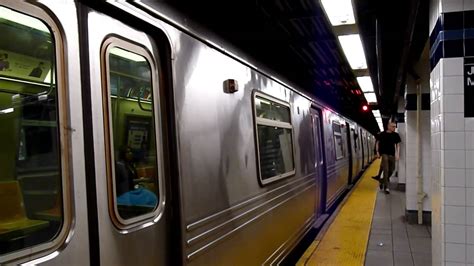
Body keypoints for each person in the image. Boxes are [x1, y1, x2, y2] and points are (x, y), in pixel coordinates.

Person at [375, 121, 401, 194]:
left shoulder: (396, 135)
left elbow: (398, 145)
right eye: (393, 126)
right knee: (386, 170)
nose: (394, 128)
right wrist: (377, 152)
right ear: (388, 126)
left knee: (392, 169)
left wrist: (397, 154)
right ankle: (386, 187)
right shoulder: (382, 134)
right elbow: (377, 143)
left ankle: (382, 180)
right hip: (384, 153)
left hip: (392, 154)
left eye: (395, 126)